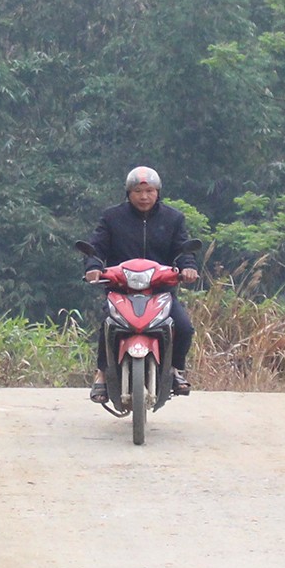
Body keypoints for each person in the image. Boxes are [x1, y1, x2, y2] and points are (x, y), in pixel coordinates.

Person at [83, 165, 199, 398]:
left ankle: (175, 369)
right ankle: (102, 374)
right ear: (128, 193)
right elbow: (96, 247)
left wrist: (188, 267)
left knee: (184, 327)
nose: (144, 196)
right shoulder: (112, 217)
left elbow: (183, 249)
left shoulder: (173, 218)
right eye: (138, 191)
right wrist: (94, 267)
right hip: (120, 289)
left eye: (150, 191)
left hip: (160, 290)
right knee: (108, 324)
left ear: (158, 192)